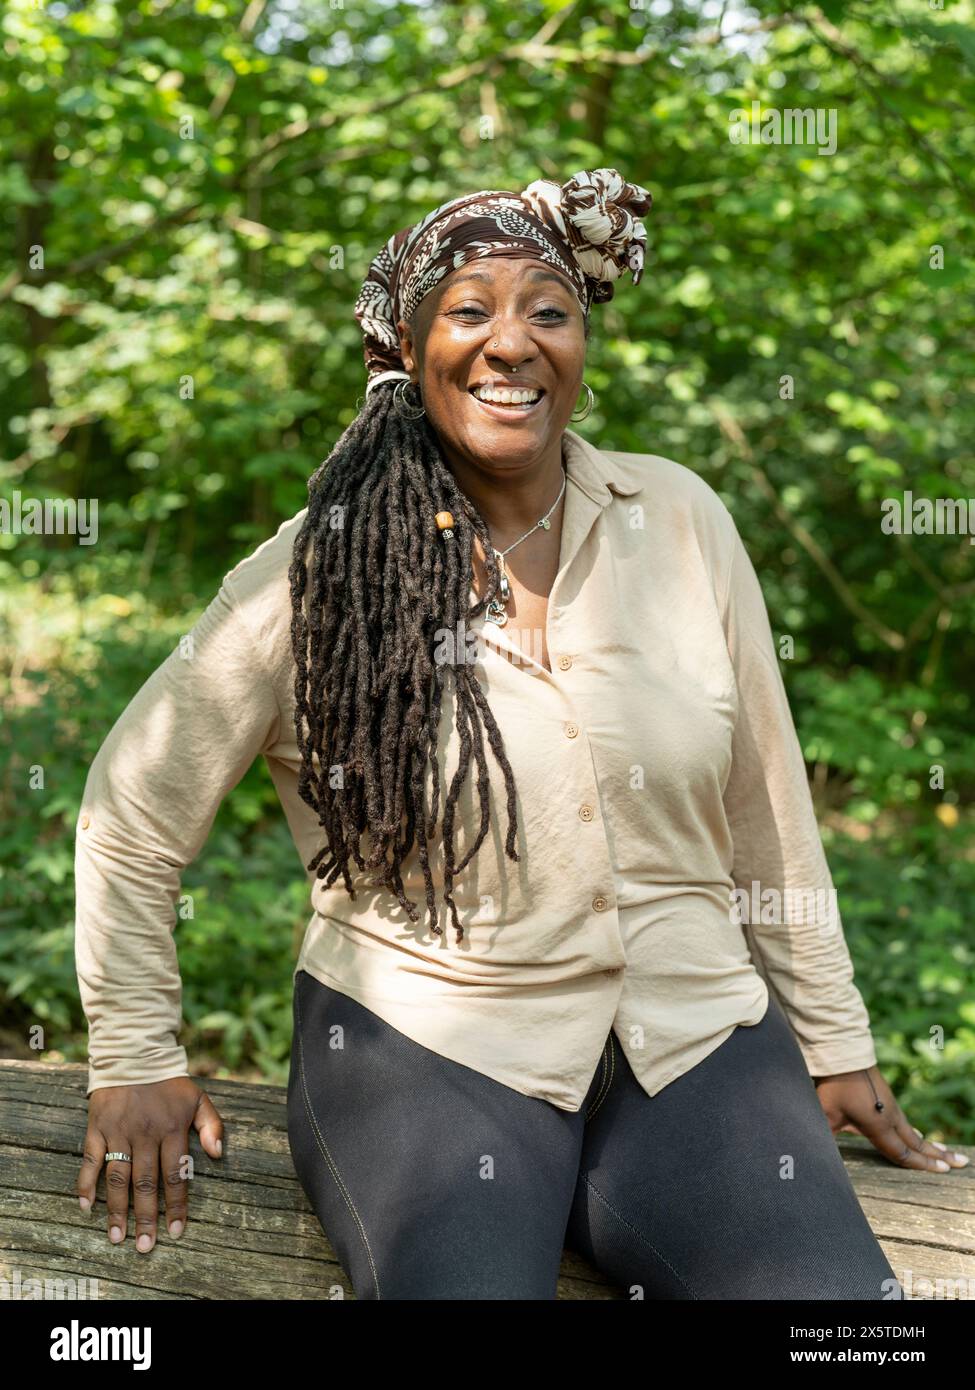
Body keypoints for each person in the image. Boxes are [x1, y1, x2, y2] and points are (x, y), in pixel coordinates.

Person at [74, 168, 967, 1300]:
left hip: (692, 1040)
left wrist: (833, 1038)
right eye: (470, 310)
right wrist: (137, 1055)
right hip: (429, 1046)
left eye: (549, 308)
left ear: (583, 343)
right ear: (410, 348)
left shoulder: (681, 520)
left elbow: (766, 805)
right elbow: (129, 814)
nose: (514, 343)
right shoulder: (323, 568)